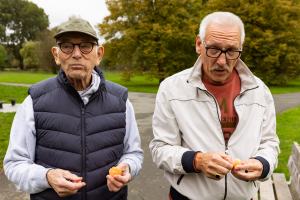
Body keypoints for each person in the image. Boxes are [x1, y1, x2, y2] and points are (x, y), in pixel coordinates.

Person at [4, 19, 143, 200]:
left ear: (98, 55)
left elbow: (133, 153)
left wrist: (128, 166)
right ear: (56, 55)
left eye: (85, 46)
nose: (76, 54)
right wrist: (47, 177)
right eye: (67, 46)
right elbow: (15, 164)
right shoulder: (34, 101)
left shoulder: (121, 101)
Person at [149, 12, 280, 200]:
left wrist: (263, 163)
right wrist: (197, 161)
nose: (221, 61)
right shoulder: (171, 89)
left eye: (231, 51)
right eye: (214, 49)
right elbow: (160, 148)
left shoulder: (260, 91)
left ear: (241, 47)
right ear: (198, 44)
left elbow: (269, 142)